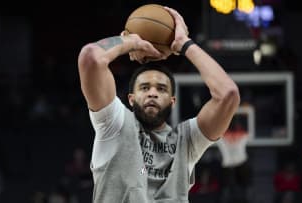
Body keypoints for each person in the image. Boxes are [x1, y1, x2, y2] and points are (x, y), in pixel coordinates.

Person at [77, 6, 240, 203]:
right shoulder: (114, 124)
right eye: (144, 88)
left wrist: (184, 44)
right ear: (130, 99)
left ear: (172, 102)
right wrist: (132, 41)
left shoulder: (186, 141)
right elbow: (90, 57)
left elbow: (228, 94)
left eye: (161, 89)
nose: (153, 93)